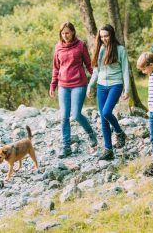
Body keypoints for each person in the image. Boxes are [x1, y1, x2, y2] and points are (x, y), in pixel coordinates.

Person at [50, 22, 97, 158]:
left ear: (73, 32)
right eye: (63, 33)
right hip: (63, 85)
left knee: (76, 115)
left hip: (78, 84)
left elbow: (89, 64)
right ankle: (66, 147)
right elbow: (56, 68)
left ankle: (90, 133)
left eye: (67, 33)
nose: (65, 35)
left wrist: (95, 80)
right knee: (64, 116)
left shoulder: (81, 45)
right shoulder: (58, 47)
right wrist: (53, 85)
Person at [87, 24, 129, 161]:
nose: (104, 39)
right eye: (102, 36)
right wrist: (90, 86)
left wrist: (127, 89)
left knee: (106, 112)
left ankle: (119, 132)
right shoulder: (99, 49)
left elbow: (125, 70)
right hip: (101, 85)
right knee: (103, 117)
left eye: (107, 36)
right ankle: (108, 150)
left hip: (115, 84)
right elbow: (96, 71)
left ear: (112, 35)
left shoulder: (120, 49)